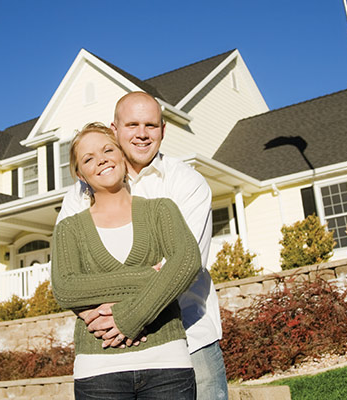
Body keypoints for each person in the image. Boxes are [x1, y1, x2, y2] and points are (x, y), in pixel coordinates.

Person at [57, 92, 228, 399]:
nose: (142, 133)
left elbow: (185, 267)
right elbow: (68, 281)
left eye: (150, 125)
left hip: (189, 337)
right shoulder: (80, 193)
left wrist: (127, 317)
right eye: (132, 124)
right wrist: (102, 317)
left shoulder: (186, 183)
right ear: (115, 128)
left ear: (163, 130)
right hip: (105, 344)